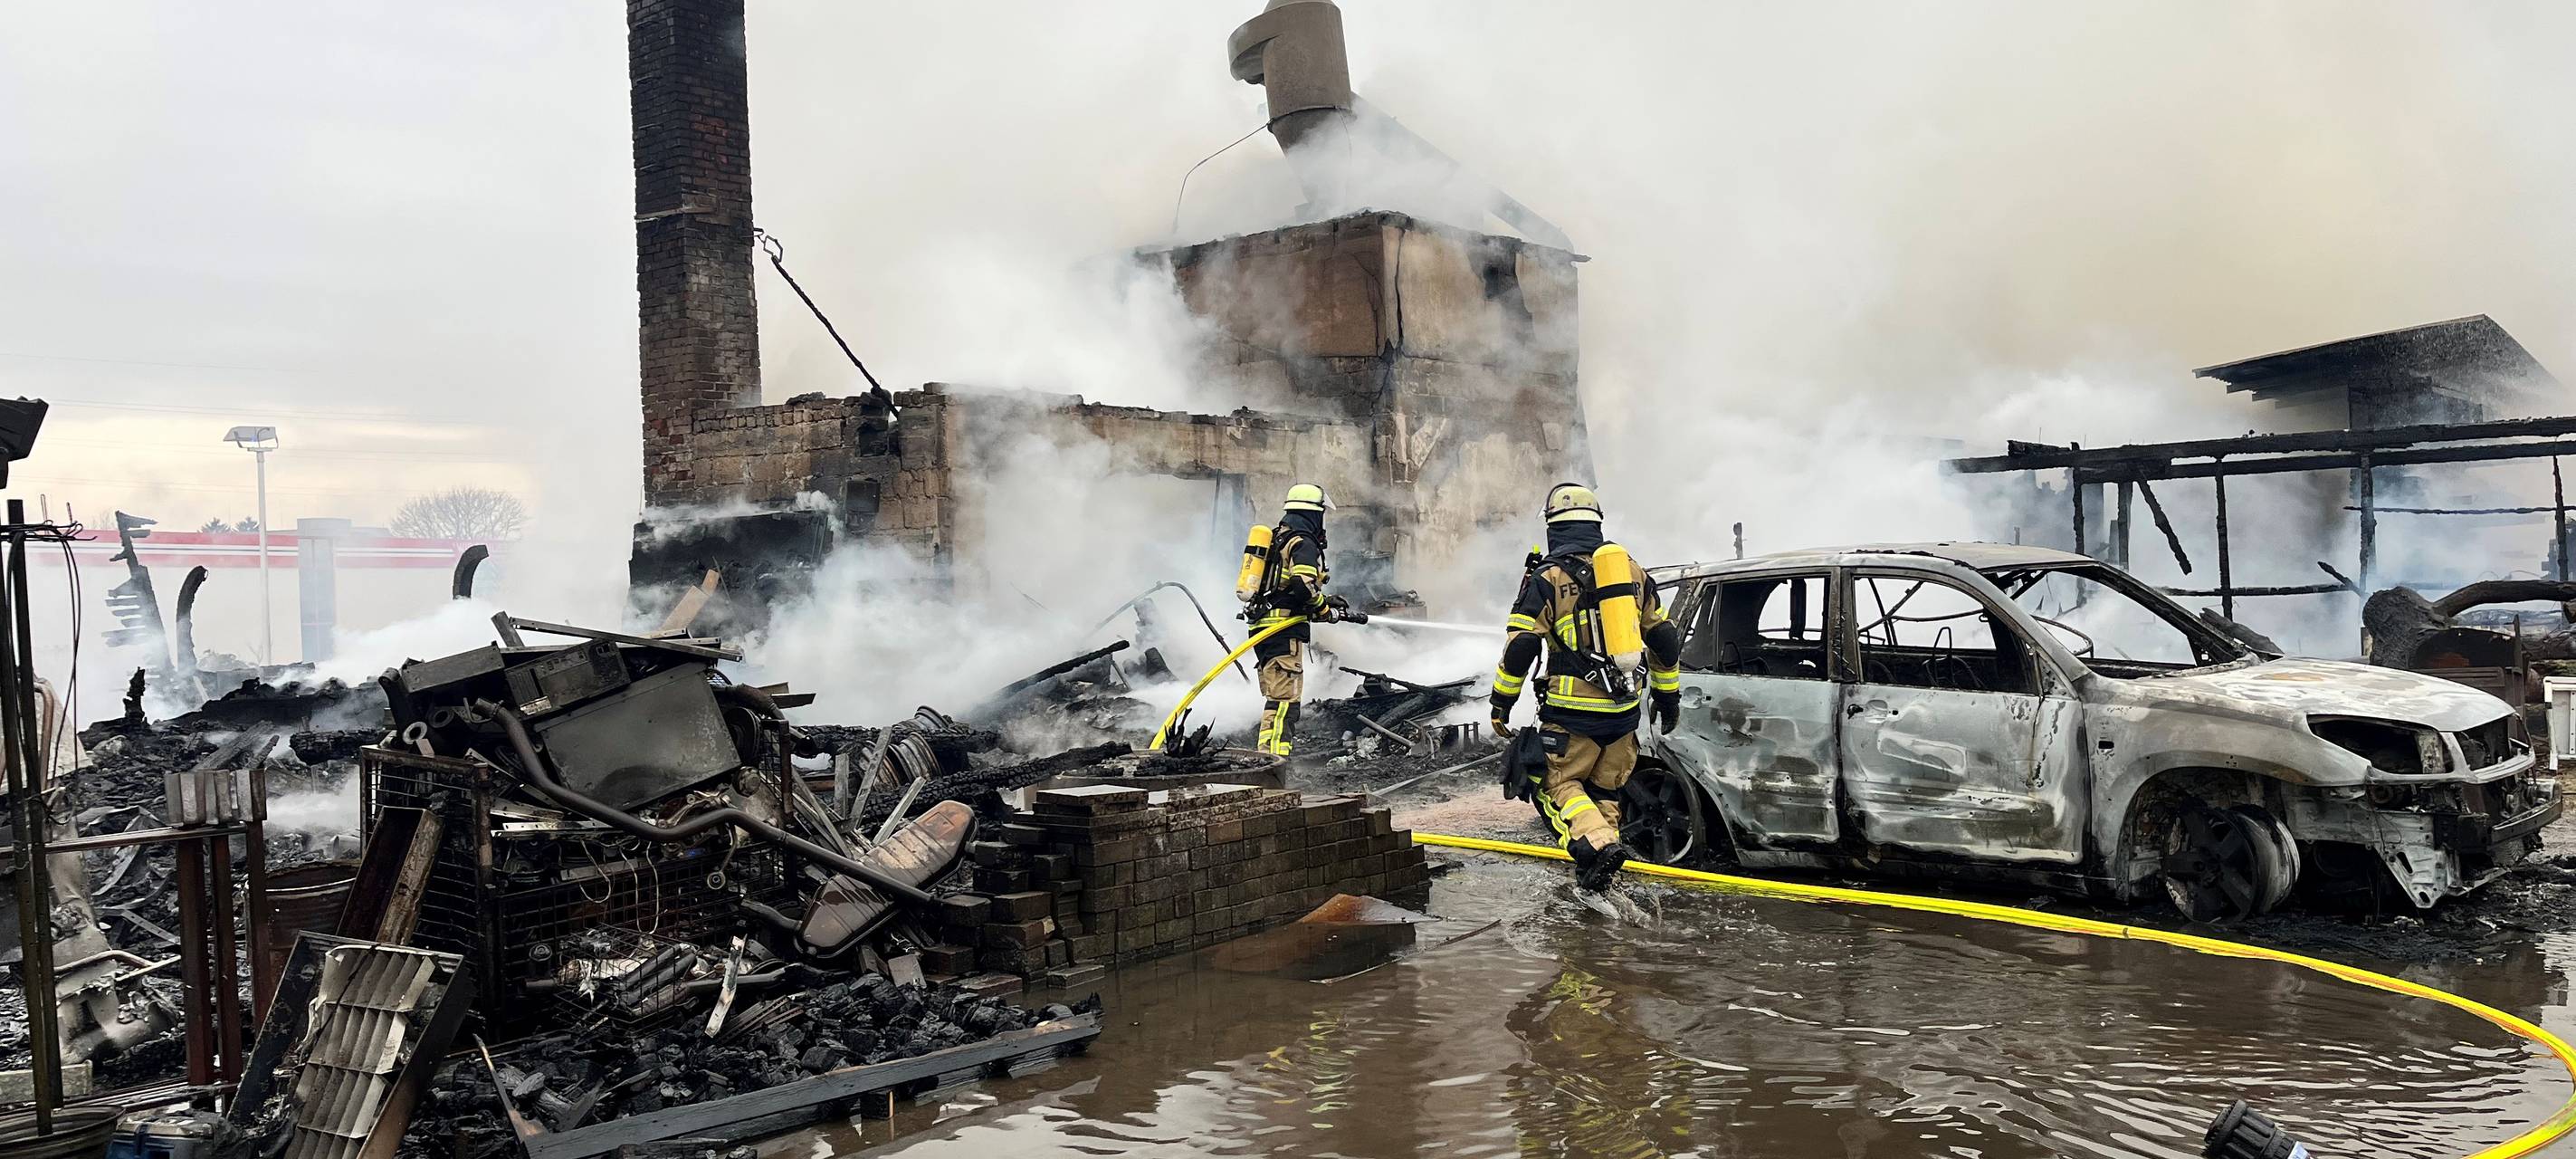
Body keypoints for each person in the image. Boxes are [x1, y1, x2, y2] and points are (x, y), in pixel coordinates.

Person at [1489, 484, 1684, 890]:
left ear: (1552, 528)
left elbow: (1523, 644)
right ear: (1597, 525)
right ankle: (1602, 867)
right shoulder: (1631, 571)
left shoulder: (1548, 578)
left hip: (1572, 713)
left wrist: (1501, 702)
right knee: (1604, 788)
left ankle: (1593, 848)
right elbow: (1664, 639)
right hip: (1624, 714)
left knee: (1552, 782)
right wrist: (1668, 696)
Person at [1247, 484, 1351, 756]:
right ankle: (1277, 760)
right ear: (1314, 514)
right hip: (1283, 633)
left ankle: (1267, 755)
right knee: (1286, 701)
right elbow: (1303, 585)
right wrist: (1325, 610)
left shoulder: (1277, 537)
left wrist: (1324, 603)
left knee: (1277, 699)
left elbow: (1286, 590)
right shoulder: (1303, 542)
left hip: (1265, 628)